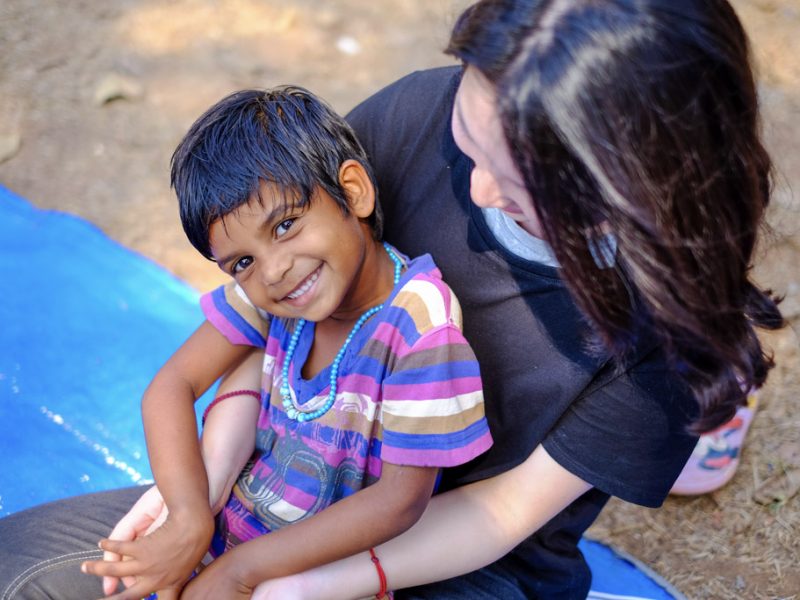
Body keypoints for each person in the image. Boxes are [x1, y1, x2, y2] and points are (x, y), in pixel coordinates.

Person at [0, 0, 784, 598]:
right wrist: (195, 508)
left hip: (456, 564)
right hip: (277, 495)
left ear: (631, 182)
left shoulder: (667, 340)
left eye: (514, 185)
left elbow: (491, 519)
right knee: (22, 571)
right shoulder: (416, 118)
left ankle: (710, 422)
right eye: (469, 145)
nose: (473, 191)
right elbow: (265, 327)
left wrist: (272, 581)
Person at [0, 87, 493, 600]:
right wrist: (188, 519)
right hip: (227, 531)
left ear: (353, 192)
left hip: (316, 579)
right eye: (241, 262)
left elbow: (398, 502)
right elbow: (171, 386)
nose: (274, 270)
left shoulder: (418, 325)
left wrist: (240, 571)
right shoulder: (270, 297)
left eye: (285, 225)